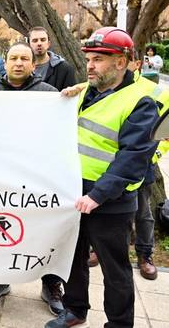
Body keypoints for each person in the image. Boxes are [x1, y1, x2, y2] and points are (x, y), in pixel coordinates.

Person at [45, 27, 159, 328]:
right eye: (89, 59)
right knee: (73, 256)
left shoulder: (141, 100)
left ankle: (119, 324)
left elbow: (133, 157)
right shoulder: (87, 90)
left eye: (98, 59)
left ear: (120, 62)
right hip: (74, 190)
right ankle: (75, 309)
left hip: (110, 200)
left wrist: (97, 196)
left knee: (115, 268)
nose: (90, 65)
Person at [0, 43, 63, 315]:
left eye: (24, 59)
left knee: (42, 232)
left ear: (33, 64)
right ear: (5, 64)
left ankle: (51, 284)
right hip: (0, 177)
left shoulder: (50, 95)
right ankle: (0, 278)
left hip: (37, 178)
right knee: (2, 228)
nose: (18, 63)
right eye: (13, 58)